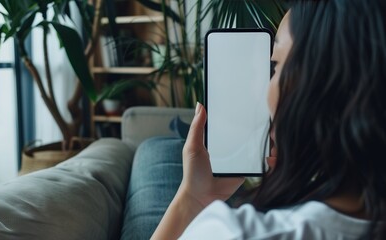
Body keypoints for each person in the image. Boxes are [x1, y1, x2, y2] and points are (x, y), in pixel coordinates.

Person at [151, 0, 386, 239]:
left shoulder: (232, 231)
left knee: (155, 149)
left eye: (275, 66)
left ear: (321, 84)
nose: (265, 90)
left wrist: (192, 198)